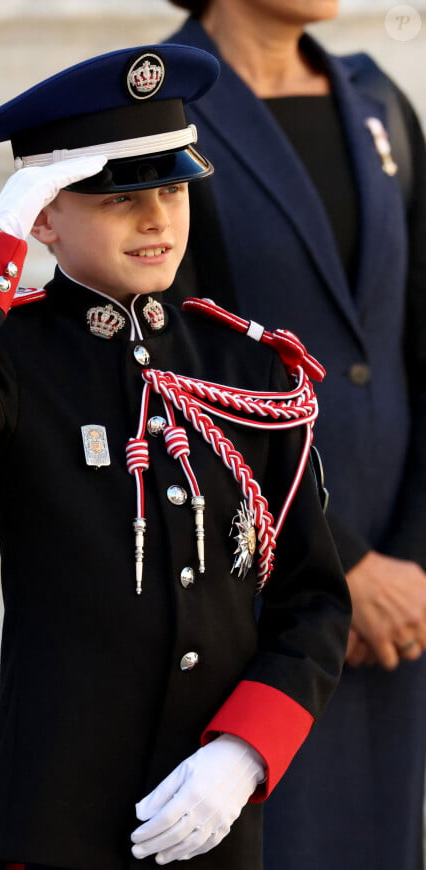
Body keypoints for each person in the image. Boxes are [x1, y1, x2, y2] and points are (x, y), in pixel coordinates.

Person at [0, 44, 350, 870]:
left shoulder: (248, 370)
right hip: (59, 820)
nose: (156, 219)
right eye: (120, 198)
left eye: (172, 188)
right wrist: (1, 229)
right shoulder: (15, 359)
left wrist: (244, 753)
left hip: (208, 825)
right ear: (46, 217)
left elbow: (313, 602)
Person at [165, 3, 426, 869]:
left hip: (403, 605)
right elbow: (169, 369)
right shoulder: (161, 103)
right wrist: (342, 563)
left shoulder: (375, 95)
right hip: (258, 597)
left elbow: (414, 338)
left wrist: (412, 557)